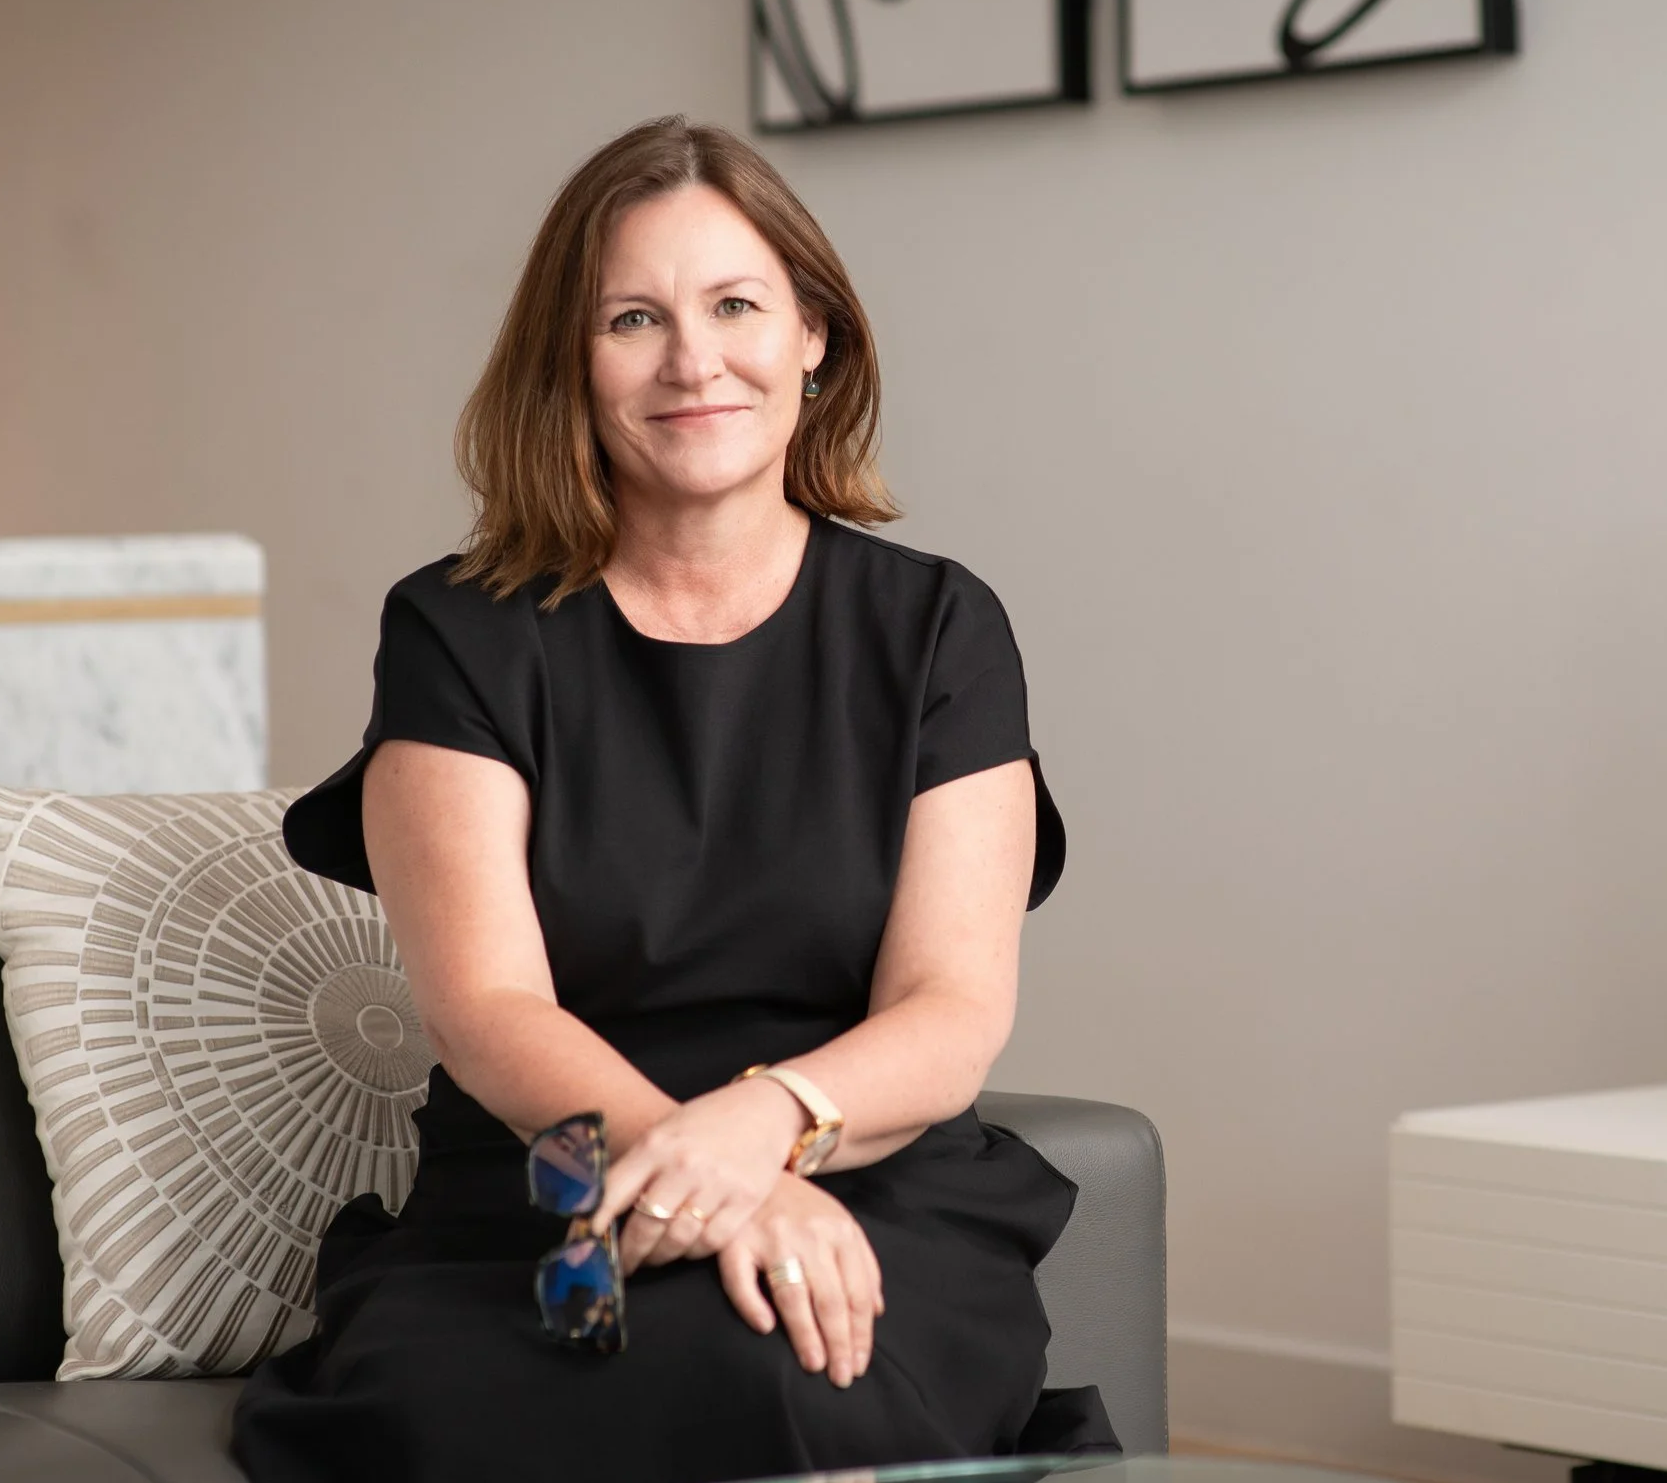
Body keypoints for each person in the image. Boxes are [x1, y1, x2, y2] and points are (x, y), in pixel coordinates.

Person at [231, 115, 1116, 1483]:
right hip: (559, 1188)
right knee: (605, 1386)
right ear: (569, 367)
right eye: (634, 318)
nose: (694, 359)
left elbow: (952, 1008)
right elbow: (490, 1009)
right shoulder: (458, 633)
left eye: (735, 305)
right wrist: (713, 1179)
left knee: (789, 1371)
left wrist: (765, 1132)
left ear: (815, 333)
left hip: (868, 1185)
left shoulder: (939, 628)